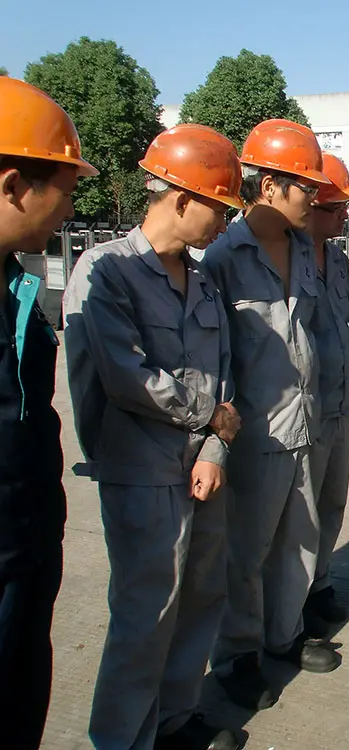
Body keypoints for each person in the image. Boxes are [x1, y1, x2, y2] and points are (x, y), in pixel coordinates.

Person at [63, 124, 243, 750]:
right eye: (219, 208)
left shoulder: (205, 281)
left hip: (202, 469)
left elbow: (226, 382)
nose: (225, 223)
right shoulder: (106, 271)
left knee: (200, 598)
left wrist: (216, 448)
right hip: (140, 470)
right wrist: (209, 418)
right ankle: (123, 738)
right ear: (183, 199)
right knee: (146, 615)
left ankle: (174, 720)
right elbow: (126, 377)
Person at [205, 119, 339, 712]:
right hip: (255, 431)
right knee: (246, 552)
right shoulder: (223, 259)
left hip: (305, 421)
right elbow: (213, 354)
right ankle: (237, 655)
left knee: (299, 541)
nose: (315, 197)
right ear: (270, 186)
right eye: (306, 187)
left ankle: (283, 634)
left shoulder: (303, 249)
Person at [0, 76, 96, 750]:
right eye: (64, 192)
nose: (68, 211)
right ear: (14, 186)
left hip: (28, 544)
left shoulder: (16, 284)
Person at [304, 154, 349, 629]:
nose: (345, 215)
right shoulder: (286, 259)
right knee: (300, 514)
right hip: (304, 407)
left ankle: (319, 582)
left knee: (332, 501)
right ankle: (294, 601)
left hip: (341, 401)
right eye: (335, 207)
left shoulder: (339, 260)